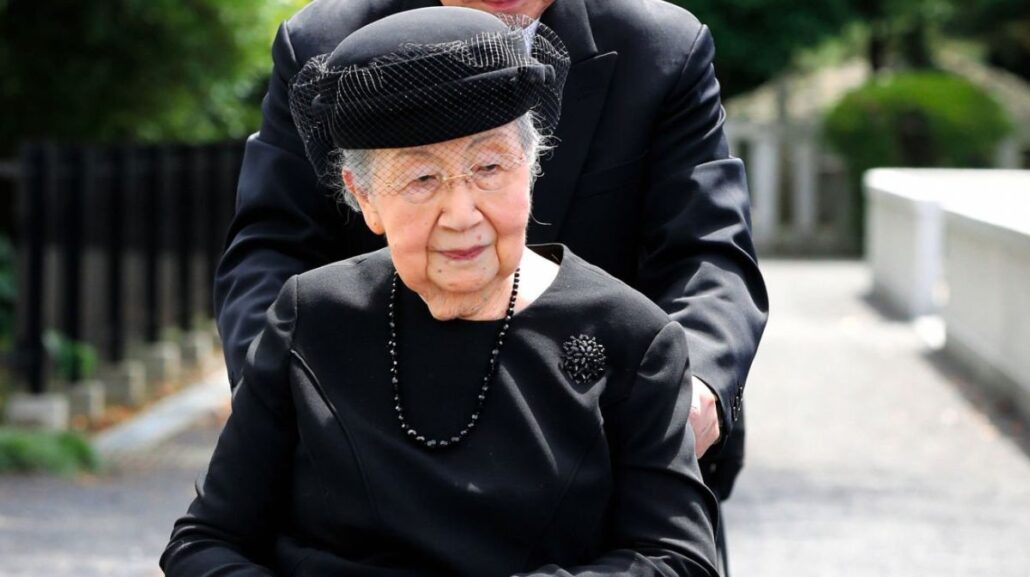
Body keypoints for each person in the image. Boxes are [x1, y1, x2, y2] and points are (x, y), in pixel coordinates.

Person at [162, 7, 720, 575]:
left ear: (530, 167)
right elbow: (203, 544)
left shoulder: (632, 339)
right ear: (364, 197)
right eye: (422, 179)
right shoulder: (310, 319)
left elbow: (675, 559)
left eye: (489, 168)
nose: (461, 213)